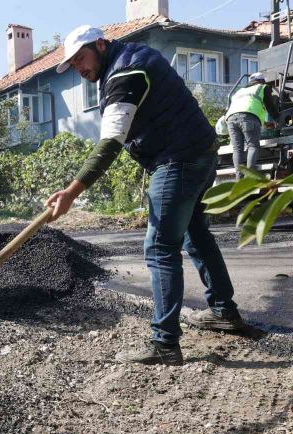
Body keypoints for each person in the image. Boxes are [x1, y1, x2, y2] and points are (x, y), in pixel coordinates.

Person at [46, 25, 245, 366]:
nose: (79, 67)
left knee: (160, 247)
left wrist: (71, 192)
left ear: (100, 44)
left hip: (177, 159)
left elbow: (110, 142)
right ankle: (224, 311)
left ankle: (165, 343)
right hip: (199, 153)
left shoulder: (126, 72)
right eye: (73, 63)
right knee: (196, 235)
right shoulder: (131, 60)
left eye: (81, 58)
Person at [225, 72, 278, 179]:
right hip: (248, 118)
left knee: (237, 149)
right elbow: (269, 106)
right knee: (252, 146)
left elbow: (244, 109)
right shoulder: (263, 87)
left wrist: (264, 123)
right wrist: (278, 119)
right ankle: (249, 177)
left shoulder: (240, 90)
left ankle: (239, 179)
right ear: (262, 81)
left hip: (231, 119)